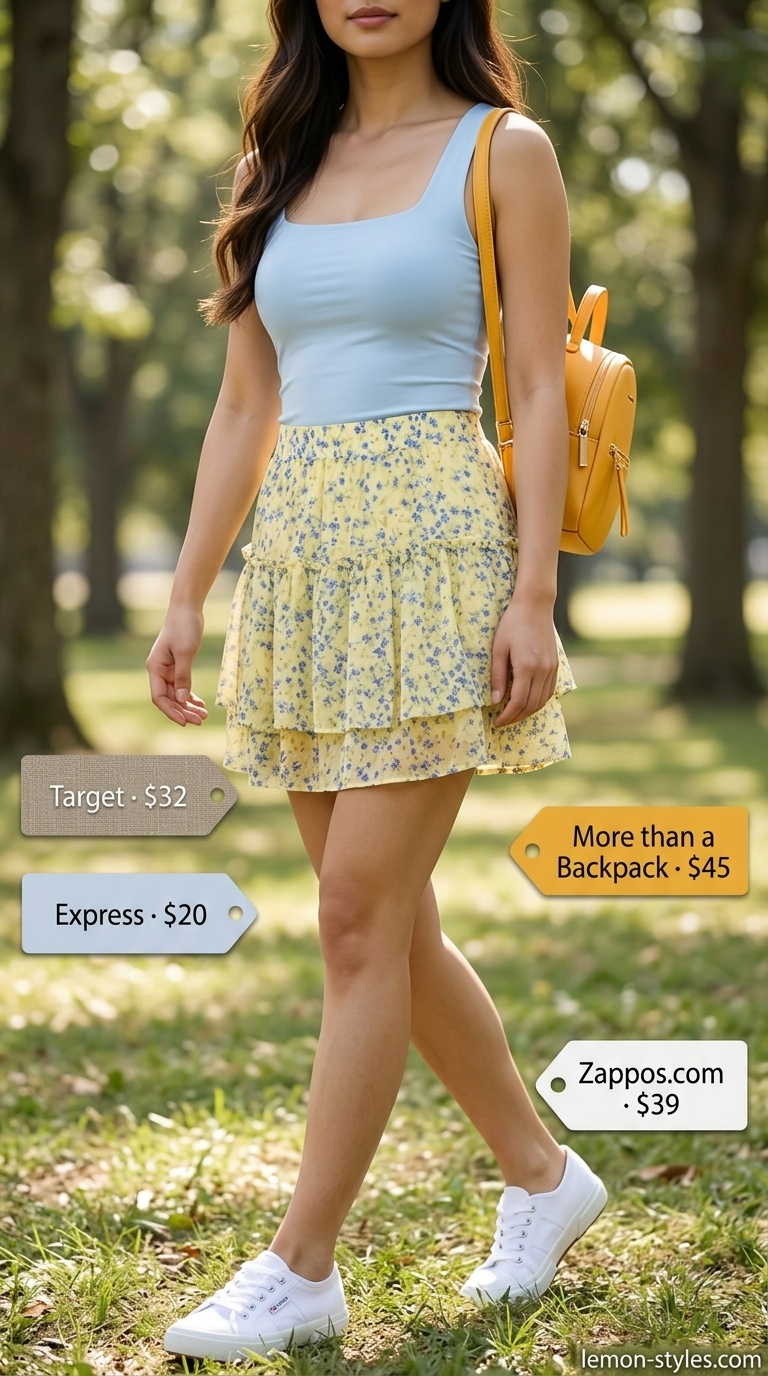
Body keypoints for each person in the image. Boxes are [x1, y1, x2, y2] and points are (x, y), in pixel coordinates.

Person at [147, 0, 608, 1360]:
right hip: (300, 567)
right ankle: (543, 1175)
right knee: (386, 929)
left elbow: (534, 382)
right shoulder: (272, 168)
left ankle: (300, 1268)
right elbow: (246, 403)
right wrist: (185, 589)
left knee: (355, 916)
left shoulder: (501, 150)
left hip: (439, 556)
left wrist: (532, 597)